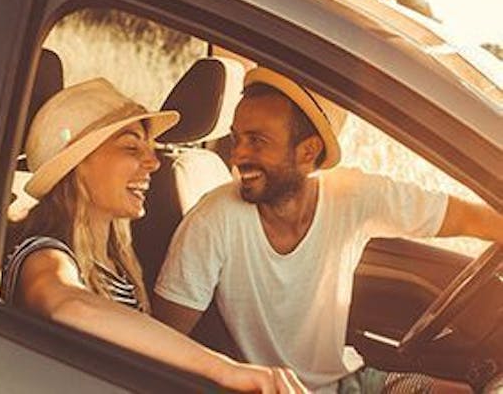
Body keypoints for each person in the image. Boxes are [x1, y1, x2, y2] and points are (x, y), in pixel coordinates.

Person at [152, 67, 503, 393]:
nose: (238, 154)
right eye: (237, 138)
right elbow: (161, 344)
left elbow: (467, 218)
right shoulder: (212, 221)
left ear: (308, 152)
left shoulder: (354, 195)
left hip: (353, 379)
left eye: (257, 141)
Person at [1, 77, 306, 394]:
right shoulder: (42, 253)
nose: (153, 162)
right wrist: (224, 369)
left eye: (150, 149)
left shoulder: (115, 263)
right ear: (78, 164)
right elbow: (66, 305)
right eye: (132, 147)